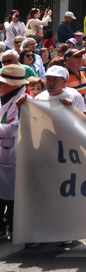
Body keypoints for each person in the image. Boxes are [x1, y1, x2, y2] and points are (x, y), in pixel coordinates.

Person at [0, 64, 27, 241]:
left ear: (13, 85)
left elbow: (14, 128)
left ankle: (14, 226)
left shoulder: (24, 100)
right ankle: (2, 227)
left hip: (14, 155)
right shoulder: (3, 96)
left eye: (3, 83)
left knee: (13, 196)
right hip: (3, 154)